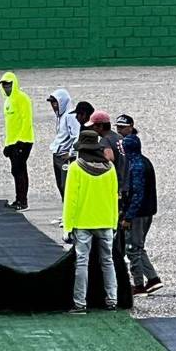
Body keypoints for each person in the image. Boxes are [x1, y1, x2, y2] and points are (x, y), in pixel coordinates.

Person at [64, 130, 119, 314]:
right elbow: (114, 198)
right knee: (107, 261)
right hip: (105, 221)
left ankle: (80, 303)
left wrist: (68, 226)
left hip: (82, 222)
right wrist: (114, 222)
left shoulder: (75, 168)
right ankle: (112, 299)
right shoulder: (110, 168)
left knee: (81, 262)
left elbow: (70, 200)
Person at [120, 134, 162, 295]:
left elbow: (137, 194)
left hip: (138, 214)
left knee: (132, 248)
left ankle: (139, 284)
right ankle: (152, 279)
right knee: (139, 247)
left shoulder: (135, 165)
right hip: (148, 211)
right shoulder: (145, 161)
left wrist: (128, 216)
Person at [0, 73, 34, 211]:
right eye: (4, 86)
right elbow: (10, 125)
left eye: (9, 85)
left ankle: (23, 201)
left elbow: (26, 121)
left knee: (20, 170)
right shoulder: (7, 101)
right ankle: (18, 199)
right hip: (13, 142)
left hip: (23, 141)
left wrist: (20, 142)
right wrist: (8, 145)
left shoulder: (22, 99)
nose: (7, 88)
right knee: (15, 171)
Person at [47, 89, 81, 199]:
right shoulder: (60, 116)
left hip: (65, 157)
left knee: (66, 186)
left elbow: (77, 137)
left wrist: (71, 153)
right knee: (60, 186)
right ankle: (65, 212)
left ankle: (71, 214)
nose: (53, 105)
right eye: (52, 103)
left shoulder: (70, 116)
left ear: (62, 102)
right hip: (57, 154)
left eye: (55, 102)